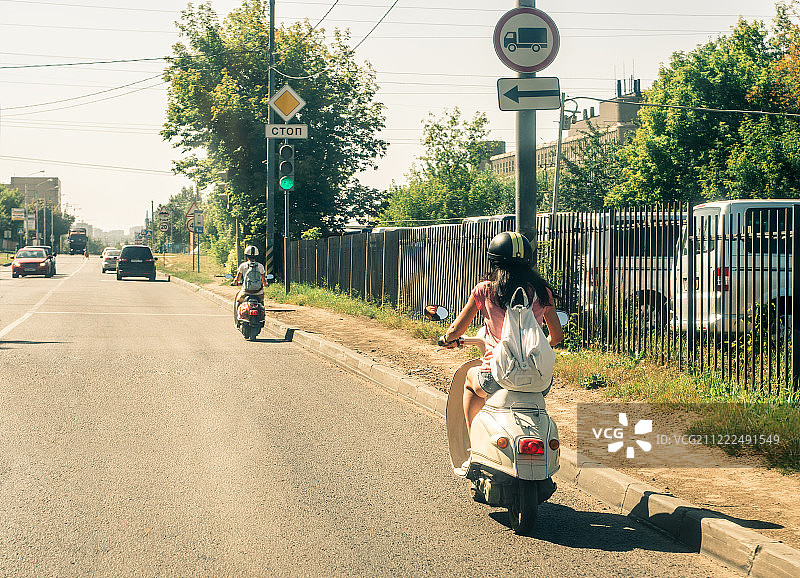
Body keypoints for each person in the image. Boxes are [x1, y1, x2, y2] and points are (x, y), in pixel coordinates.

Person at [439, 231, 563, 435]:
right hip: (539, 380)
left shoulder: (485, 290)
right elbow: (557, 337)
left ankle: (473, 442)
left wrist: (446, 339)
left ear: (493, 259)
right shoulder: (542, 292)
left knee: (470, 381)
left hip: (495, 376)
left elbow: (456, 330)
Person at [231, 245, 267, 324]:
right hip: (258, 292)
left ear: (246, 256)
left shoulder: (243, 266)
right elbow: (263, 279)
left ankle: (238, 318)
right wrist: (265, 284)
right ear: (256, 256)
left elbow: (237, 278)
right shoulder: (260, 266)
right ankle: (262, 317)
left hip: (246, 292)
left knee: (238, 301)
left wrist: (234, 283)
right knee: (261, 303)